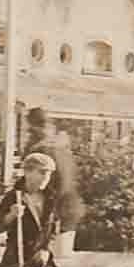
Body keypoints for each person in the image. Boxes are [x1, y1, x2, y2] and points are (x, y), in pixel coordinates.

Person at [22, 107, 84, 256]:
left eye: (30, 131)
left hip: (55, 212)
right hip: (67, 210)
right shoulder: (61, 149)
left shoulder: (42, 151)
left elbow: (38, 186)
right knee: (57, 262)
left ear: (35, 128)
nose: (28, 137)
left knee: (47, 262)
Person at [0, 153, 60, 267]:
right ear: (27, 173)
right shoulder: (13, 197)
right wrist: (11, 216)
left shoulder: (51, 198)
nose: (47, 178)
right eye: (42, 172)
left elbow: (54, 230)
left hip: (43, 263)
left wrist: (45, 250)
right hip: (16, 262)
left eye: (49, 174)